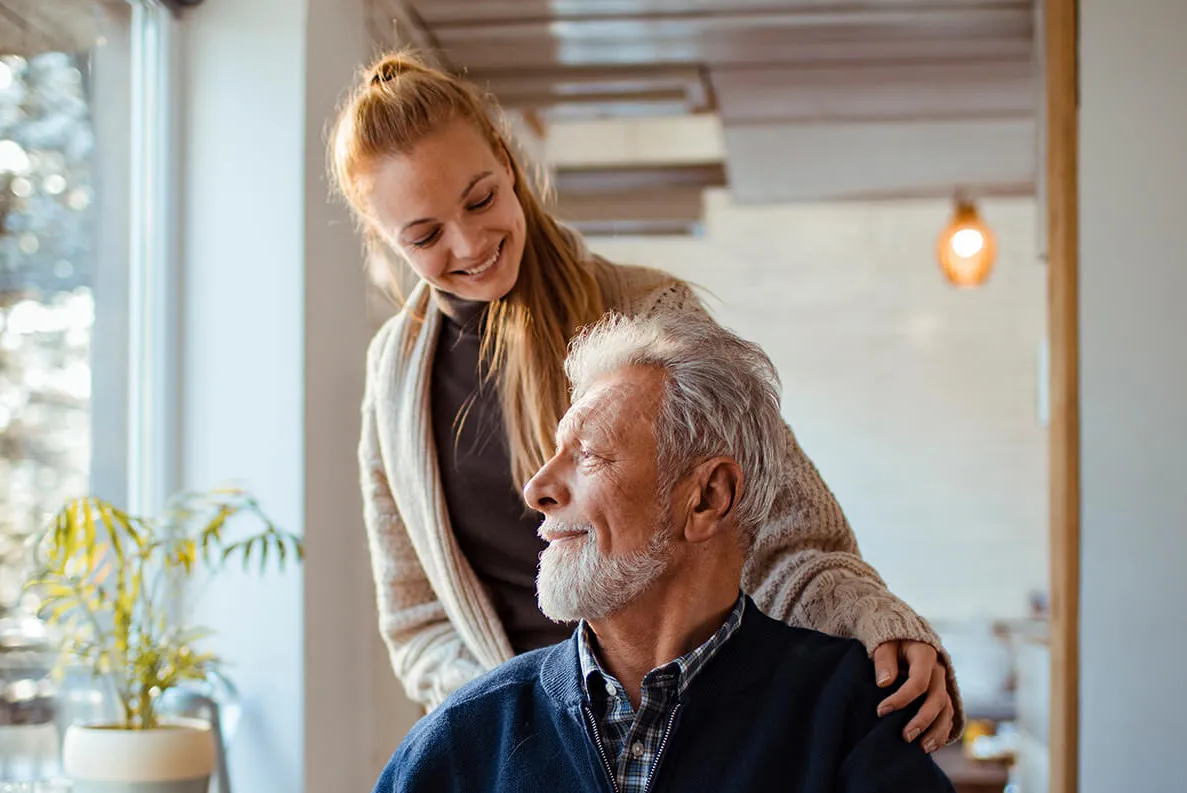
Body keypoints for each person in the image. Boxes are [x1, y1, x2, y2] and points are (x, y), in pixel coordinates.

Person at [253, 308, 995, 793]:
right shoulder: (465, 736)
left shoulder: (848, 724)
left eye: (591, 455)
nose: (538, 487)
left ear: (707, 496)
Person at [336, 51, 961, 751]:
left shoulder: (650, 314)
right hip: (521, 761)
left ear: (508, 163)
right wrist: (512, 716)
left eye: (480, 199)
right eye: (424, 235)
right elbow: (416, 619)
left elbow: (782, 532)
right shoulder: (393, 380)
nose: (470, 242)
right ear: (385, 241)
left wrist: (874, 619)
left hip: (692, 741)